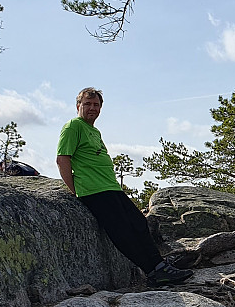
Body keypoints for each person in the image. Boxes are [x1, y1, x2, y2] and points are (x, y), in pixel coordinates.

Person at [56, 87, 193, 287]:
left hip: (110, 188)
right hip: (94, 191)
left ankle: (160, 266)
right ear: (78, 106)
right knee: (122, 232)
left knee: (139, 223)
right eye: (87, 104)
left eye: (96, 105)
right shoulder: (73, 127)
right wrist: (74, 191)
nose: (92, 108)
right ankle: (153, 272)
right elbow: (62, 159)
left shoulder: (93, 131)